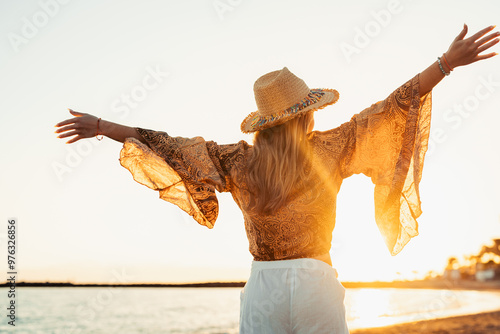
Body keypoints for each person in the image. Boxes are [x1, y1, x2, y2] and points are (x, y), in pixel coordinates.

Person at [55, 24, 498, 333]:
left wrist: (103, 127)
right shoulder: (331, 148)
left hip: (262, 283)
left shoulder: (237, 161)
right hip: (316, 282)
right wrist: (445, 63)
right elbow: (394, 105)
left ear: (263, 124)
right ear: (306, 115)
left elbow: (167, 144)